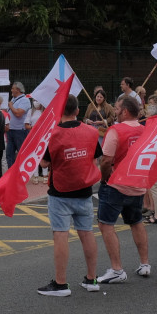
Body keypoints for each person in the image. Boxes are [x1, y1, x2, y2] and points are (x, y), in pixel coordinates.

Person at [36, 95, 102, 296]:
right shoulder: (91, 132)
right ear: (77, 111)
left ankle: (61, 284)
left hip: (60, 191)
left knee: (60, 235)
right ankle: (92, 279)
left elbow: (44, 164)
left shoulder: (53, 134)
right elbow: (97, 157)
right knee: (87, 233)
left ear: (58, 111)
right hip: (84, 190)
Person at [96, 96, 151, 282]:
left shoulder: (115, 130)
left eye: (117, 108)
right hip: (137, 183)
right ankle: (145, 264)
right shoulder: (145, 131)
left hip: (116, 184)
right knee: (136, 222)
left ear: (125, 111)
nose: (115, 110)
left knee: (105, 224)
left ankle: (117, 269)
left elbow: (106, 160)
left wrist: (104, 178)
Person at [5, 82, 32, 168]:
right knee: (9, 154)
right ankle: (11, 174)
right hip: (10, 130)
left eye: (13, 88)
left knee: (21, 154)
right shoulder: (13, 99)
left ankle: (22, 174)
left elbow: (18, 113)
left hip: (20, 131)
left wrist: (10, 106)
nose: (11, 90)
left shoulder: (25, 100)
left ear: (18, 90)